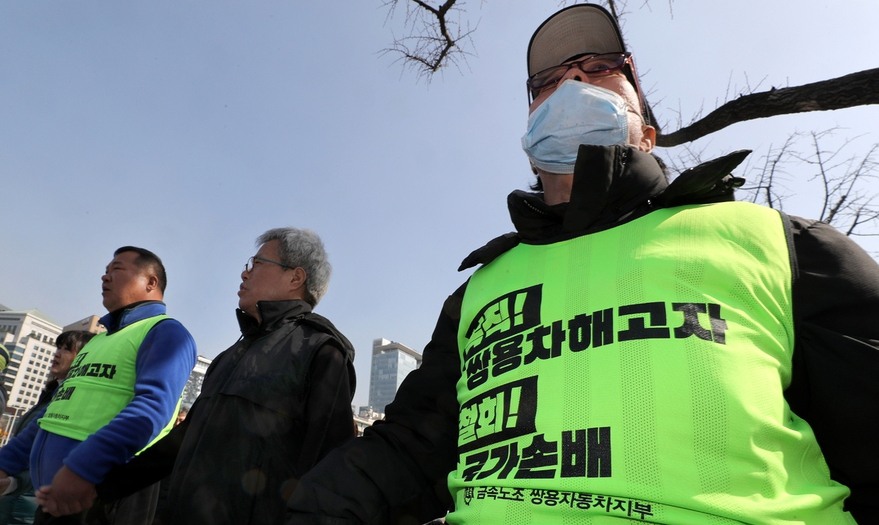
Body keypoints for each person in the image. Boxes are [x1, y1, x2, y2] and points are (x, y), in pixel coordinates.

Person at [285, 4, 879, 524]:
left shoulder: (783, 245)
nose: (570, 79)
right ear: (527, 134)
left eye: (600, 68)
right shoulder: (478, 291)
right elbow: (411, 451)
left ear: (648, 133)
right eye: (544, 81)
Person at [98, 227, 357, 525]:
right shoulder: (230, 356)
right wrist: (101, 486)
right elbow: (182, 442)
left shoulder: (321, 352)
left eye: (257, 264)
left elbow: (329, 471)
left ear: (295, 277)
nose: (245, 274)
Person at [0, 246, 197, 525]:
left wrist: (83, 468)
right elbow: (54, 413)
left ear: (151, 282)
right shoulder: (99, 341)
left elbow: (152, 409)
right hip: (58, 497)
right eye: (105, 271)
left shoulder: (166, 332)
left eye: (116, 270)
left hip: (101, 498)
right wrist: (6, 462)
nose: (105, 277)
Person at [0, 331, 95, 525]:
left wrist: (14, 483)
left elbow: (51, 461)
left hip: (25, 507)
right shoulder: (52, 394)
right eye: (58, 347)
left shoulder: (73, 402)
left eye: (67, 350)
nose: (57, 353)